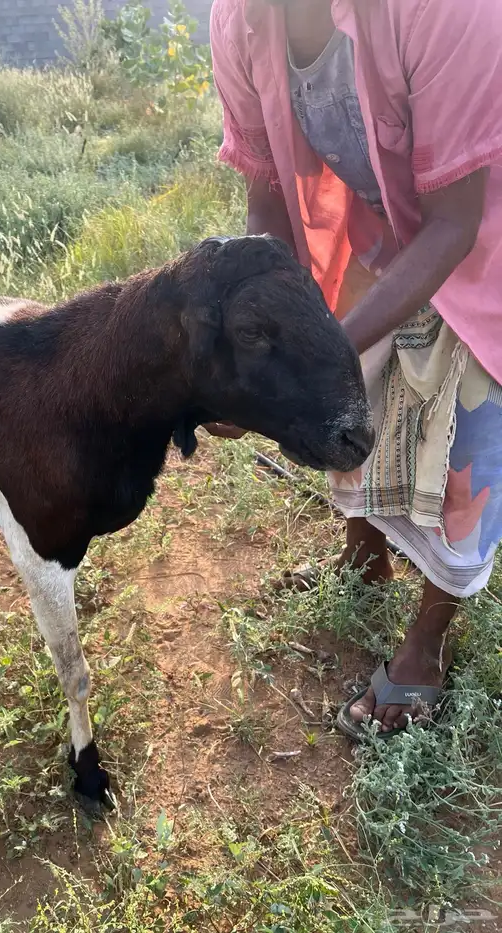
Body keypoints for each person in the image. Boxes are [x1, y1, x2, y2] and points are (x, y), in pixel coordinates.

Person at [207, 0, 502, 738]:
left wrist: (317, 353)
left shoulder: (448, 12)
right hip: (385, 225)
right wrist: (260, 349)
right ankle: (363, 558)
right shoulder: (241, 18)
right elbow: (269, 191)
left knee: (471, 437)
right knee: (357, 397)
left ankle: (427, 642)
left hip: (483, 228)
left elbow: (456, 224)